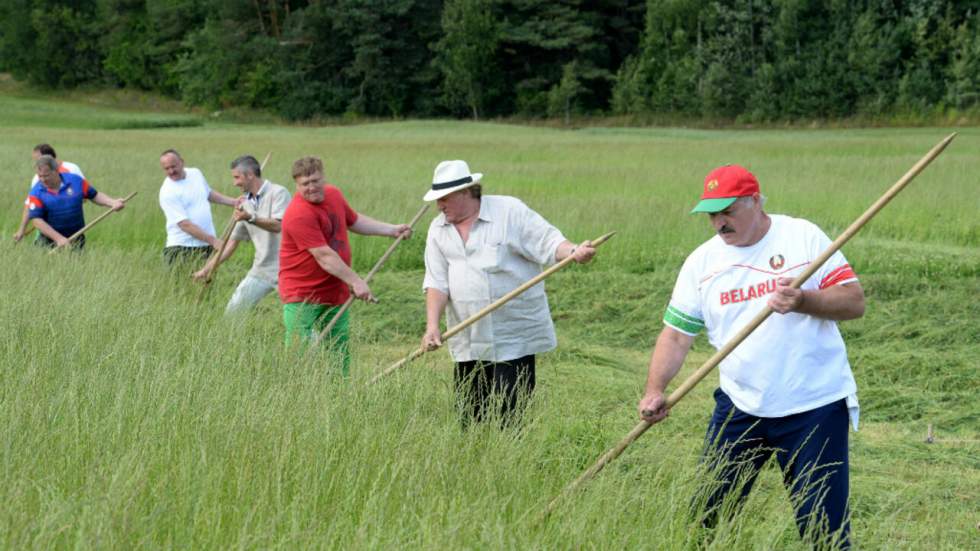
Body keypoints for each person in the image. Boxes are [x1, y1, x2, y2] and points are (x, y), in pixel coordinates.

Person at [637, 164, 864, 549]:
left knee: (823, 529)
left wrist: (804, 300)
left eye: (728, 211)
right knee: (708, 516)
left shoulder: (802, 237)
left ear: (756, 201)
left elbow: (854, 302)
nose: (719, 223)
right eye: (712, 214)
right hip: (741, 404)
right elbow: (676, 335)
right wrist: (654, 389)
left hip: (814, 405)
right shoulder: (701, 263)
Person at [420, 160, 596, 426]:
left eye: (444, 198)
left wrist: (573, 251)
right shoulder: (438, 229)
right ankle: (474, 459)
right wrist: (432, 326)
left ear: (466, 192)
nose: (439, 206)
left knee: (510, 414)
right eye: (437, 200)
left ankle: (509, 459)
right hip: (467, 335)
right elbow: (436, 281)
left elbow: (548, 242)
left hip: (513, 336)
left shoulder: (509, 212)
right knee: (469, 413)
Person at [279, 156, 412, 375]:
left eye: (315, 181)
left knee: (339, 351)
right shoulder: (297, 214)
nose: (311, 187)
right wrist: (356, 281)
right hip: (301, 294)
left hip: (334, 290)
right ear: (296, 185)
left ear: (323, 178)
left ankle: (339, 393)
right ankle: (296, 396)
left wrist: (391, 230)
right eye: (305, 184)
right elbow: (323, 255)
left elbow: (354, 221)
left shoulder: (334, 195)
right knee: (298, 353)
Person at [193, 155, 291, 313]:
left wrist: (250, 217)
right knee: (233, 313)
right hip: (262, 269)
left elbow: (278, 225)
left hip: (288, 268)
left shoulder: (279, 193)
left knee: (300, 318)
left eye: (237, 177)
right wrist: (207, 269)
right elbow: (230, 245)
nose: (235, 183)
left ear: (250, 175)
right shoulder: (244, 204)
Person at [26, 155, 125, 249]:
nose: (43, 180)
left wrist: (112, 202)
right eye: (40, 176)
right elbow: (36, 220)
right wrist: (59, 239)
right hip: (49, 242)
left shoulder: (75, 181)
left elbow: (94, 195)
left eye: (46, 176)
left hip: (77, 239)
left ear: (56, 170)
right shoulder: (36, 192)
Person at [158, 149, 237, 265]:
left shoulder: (195, 173)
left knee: (207, 281)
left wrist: (233, 202)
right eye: (166, 168)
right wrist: (213, 241)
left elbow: (208, 193)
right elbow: (184, 225)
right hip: (181, 248)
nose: (171, 171)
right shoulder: (167, 192)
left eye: (173, 166)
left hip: (206, 246)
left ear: (182, 162)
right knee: (183, 283)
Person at [13, 144, 84, 242]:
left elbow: (84, 193)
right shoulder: (37, 178)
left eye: (38, 159)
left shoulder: (72, 169)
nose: (37, 163)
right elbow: (30, 205)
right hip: (46, 225)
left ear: (49, 158)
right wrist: (21, 230)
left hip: (72, 227)